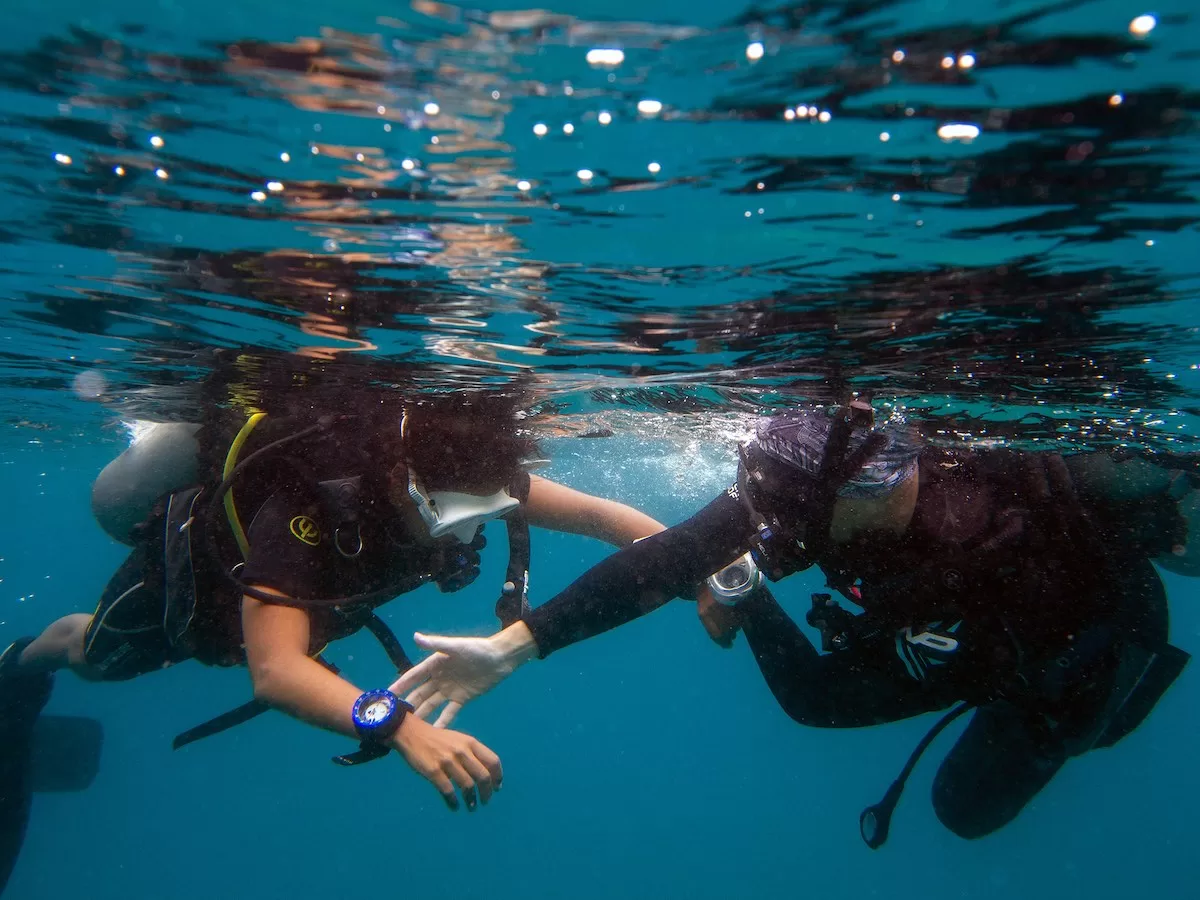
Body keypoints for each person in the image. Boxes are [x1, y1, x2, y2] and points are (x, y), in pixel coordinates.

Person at [388, 400, 1196, 845]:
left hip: (1066, 653)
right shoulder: (821, 485)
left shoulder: (983, 566)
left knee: (963, 811)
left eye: (778, 514)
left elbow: (819, 697)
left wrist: (747, 593)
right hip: (948, 617)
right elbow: (669, 556)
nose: (760, 524)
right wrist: (515, 646)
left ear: (861, 496)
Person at [0, 393, 678, 891]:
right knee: (98, 657)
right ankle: (22, 663)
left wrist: (701, 564)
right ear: (398, 481)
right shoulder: (310, 506)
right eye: (456, 518)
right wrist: (403, 728)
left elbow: (601, 516)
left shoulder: (470, 465)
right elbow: (274, 671)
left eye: (493, 516)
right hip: (204, 593)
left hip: (320, 607)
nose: (469, 537)